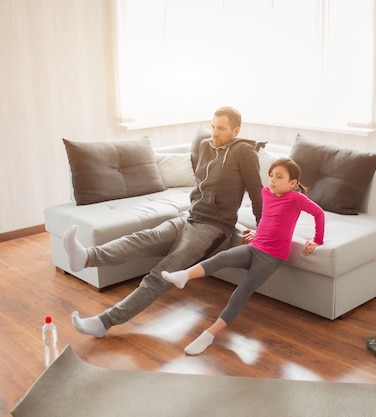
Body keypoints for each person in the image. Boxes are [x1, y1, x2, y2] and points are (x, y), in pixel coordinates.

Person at [66, 106, 263, 338]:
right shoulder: (205, 147)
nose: (214, 132)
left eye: (221, 128)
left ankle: (105, 322)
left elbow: (257, 192)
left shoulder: (244, 152)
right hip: (189, 217)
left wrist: (262, 229)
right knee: (141, 239)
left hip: (214, 229)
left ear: (236, 130)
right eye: (212, 126)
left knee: (160, 274)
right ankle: (87, 257)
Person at [161, 157, 325, 355]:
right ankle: (183, 276)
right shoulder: (266, 193)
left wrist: (317, 240)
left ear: (292, 183)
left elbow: (318, 213)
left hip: (270, 257)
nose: (272, 180)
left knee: (240, 293)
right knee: (221, 258)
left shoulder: (296, 198)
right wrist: (259, 233)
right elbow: (269, 218)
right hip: (254, 247)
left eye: (279, 177)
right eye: (271, 175)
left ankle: (208, 335)